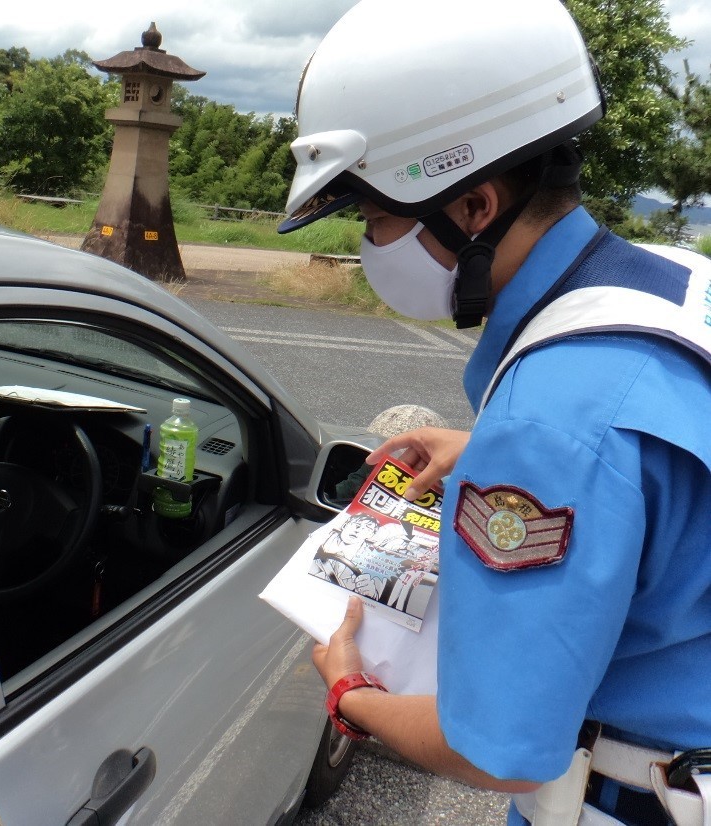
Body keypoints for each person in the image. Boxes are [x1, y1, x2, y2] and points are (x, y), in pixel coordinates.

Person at [278, 2, 711, 824]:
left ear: (474, 206)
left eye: (375, 218)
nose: (369, 245)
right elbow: (654, 452)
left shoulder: (552, 424)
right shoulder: (676, 282)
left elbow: (498, 749)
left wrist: (349, 693)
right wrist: (489, 447)